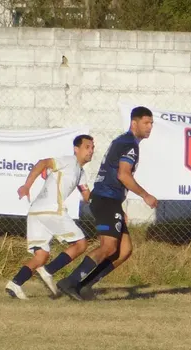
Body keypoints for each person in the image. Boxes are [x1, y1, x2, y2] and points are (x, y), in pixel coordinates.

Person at [57, 106, 157, 300]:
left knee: (124, 250)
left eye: (151, 123)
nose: (149, 127)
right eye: (146, 122)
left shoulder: (124, 141)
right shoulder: (129, 144)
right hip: (106, 199)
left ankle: (85, 285)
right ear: (134, 123)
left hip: (109, 199)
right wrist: (145, 195)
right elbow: (123, 174)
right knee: (109, 247)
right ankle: (70, 281)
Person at [4, 134, 94, 300]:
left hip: (36, 211)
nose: (91, 151)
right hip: (51, 210)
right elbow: (43, 163)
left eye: (92, 148)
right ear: (76, 149)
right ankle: (48, 271)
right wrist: (27, 185)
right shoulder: (68, 161)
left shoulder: (81, 173)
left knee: (41, 255)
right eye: (87, 147)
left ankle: (15, 284)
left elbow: (88, 196)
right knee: (81, 244)